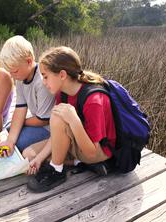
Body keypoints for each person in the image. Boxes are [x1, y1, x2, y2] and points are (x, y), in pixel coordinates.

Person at [27, 46, 116, 192]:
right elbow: (57, 133)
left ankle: (57, 171)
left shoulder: (93, 100)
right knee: (30, 155)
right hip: (77, 143)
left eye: (45, 76)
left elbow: (92, 151)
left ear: (62, 75)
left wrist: (73, 120)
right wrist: (40, 158)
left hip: (98, 152)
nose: (43, 82)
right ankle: (78, 163)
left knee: (58, 116)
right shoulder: (61, 93)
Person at [0, 35, 55, 159]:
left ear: (29, 61)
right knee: (8, 133)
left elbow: (43, 119)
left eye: (15, 71)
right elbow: (20, 108)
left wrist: (21, 123)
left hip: (49, 128)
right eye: (10, 72)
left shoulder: (42, 81)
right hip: (37, 121)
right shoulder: (21, 77)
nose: (13, 76)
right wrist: (10, 140)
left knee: (19, 143)